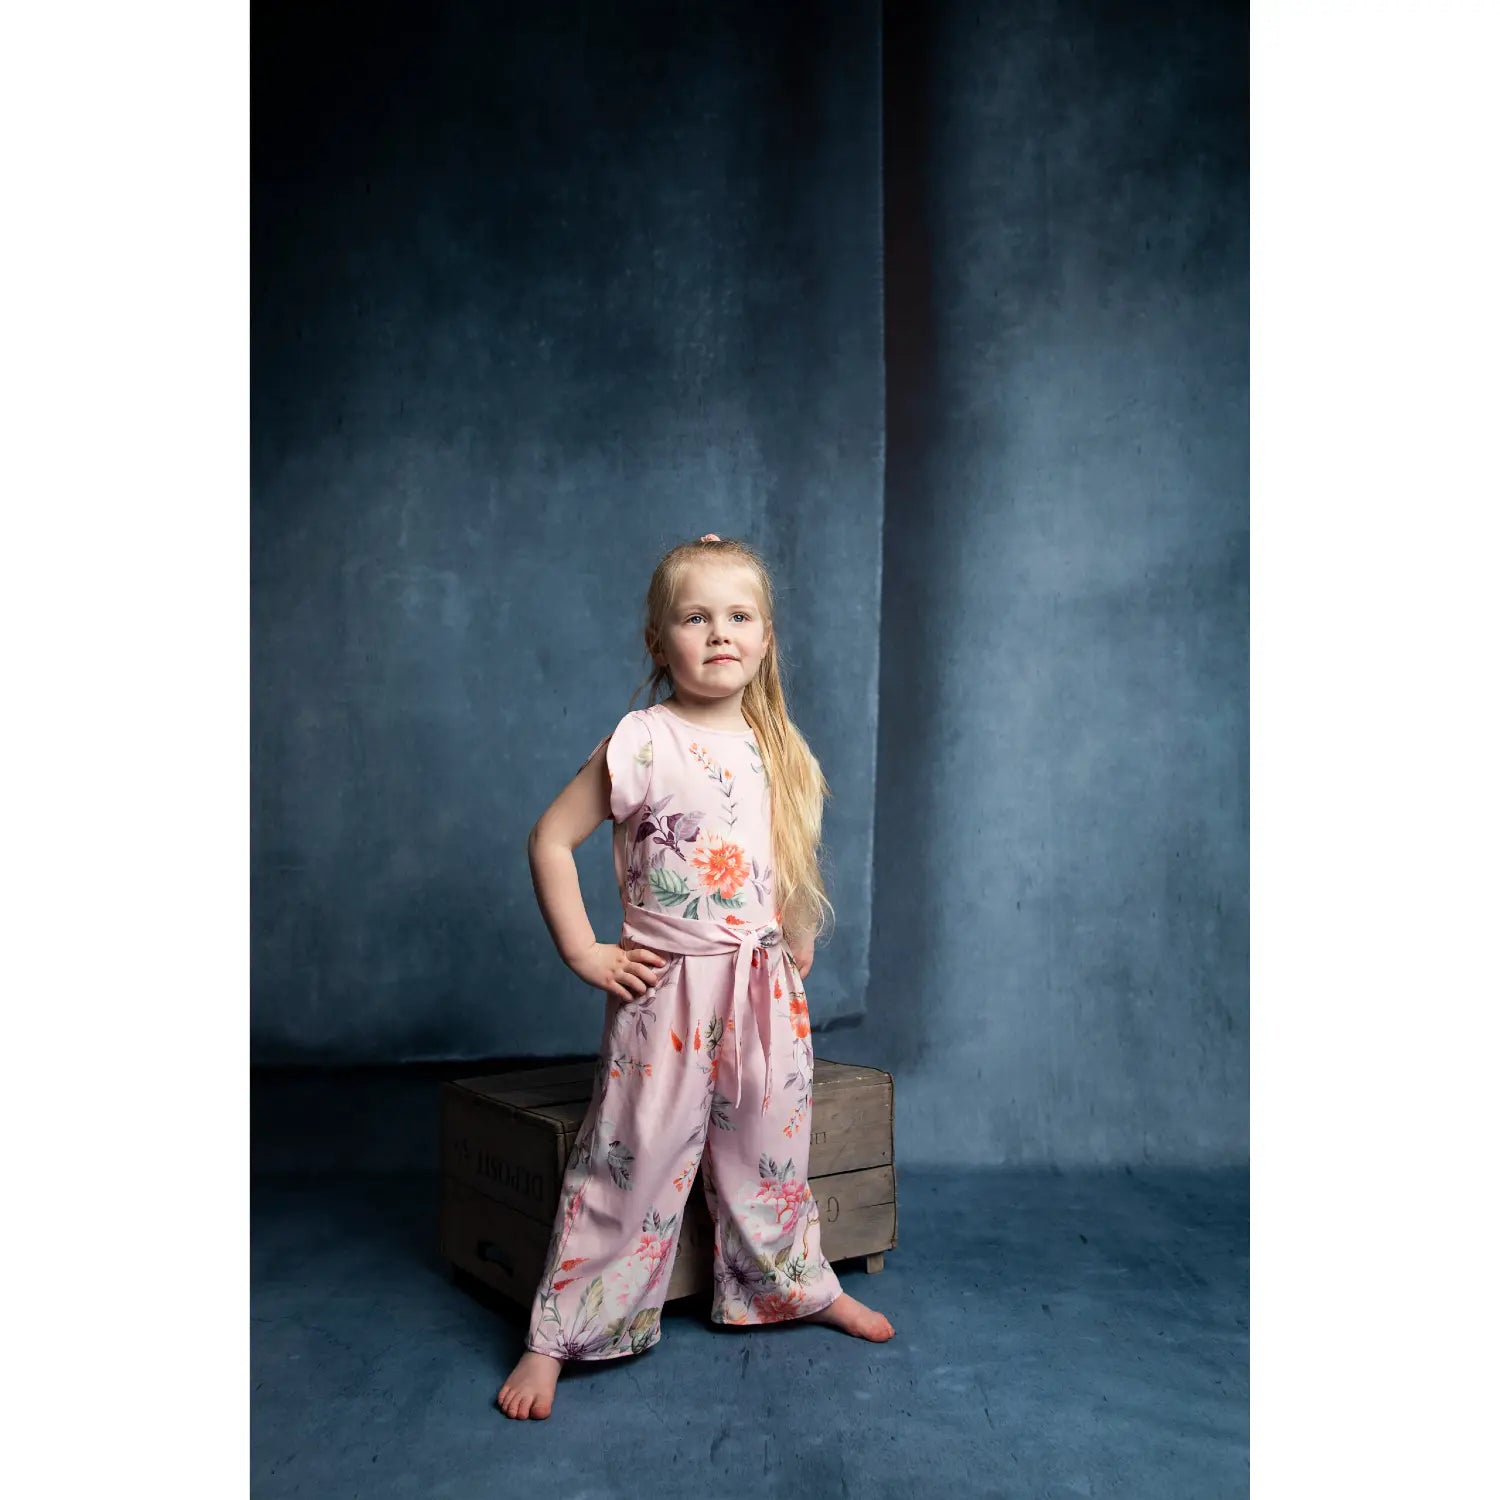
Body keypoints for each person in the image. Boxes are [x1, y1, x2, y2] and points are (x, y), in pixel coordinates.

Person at [497, 533, 895, 1419]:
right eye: (695, 616)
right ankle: (557, 1334)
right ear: (657, 641)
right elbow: (549, 840)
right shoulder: (644, 741)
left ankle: (795, 1285)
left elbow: (785, 860)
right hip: (669, 992)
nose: (720, 633)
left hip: (762, 992)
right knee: (631, 1157)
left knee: (770, 1150)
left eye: (739, 616)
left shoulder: (775, 744)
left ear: (765, 638)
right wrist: (585, 950)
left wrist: (795, 942)